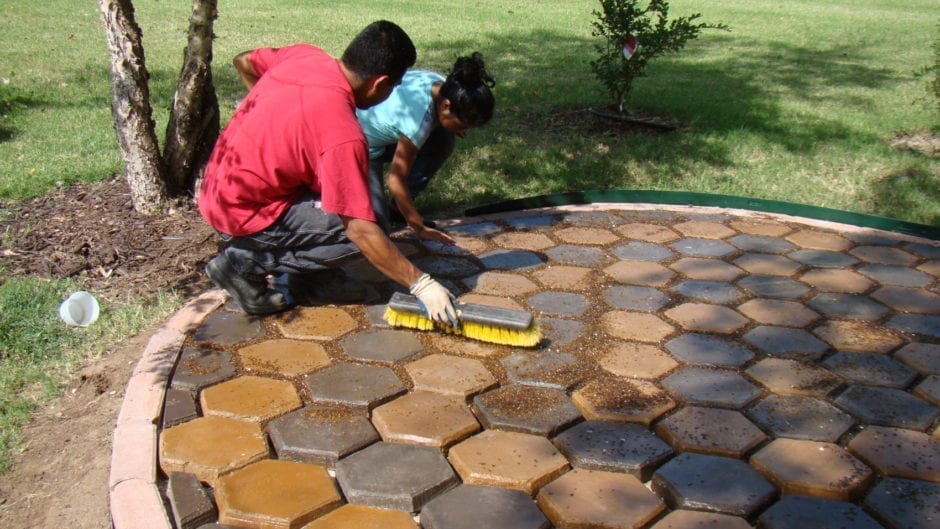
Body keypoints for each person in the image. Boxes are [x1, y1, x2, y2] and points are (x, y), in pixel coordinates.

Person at [197, 20, 458, 327]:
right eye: (394, 87)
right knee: (366, 227)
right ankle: (243, 264)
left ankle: (311, 282)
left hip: (217, 186)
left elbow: (244, 60)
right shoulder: (342, 135)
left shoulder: (303, 56)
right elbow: (359, 231)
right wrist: (421, 284)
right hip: (243, 212)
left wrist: (274, 112)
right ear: (380, 83)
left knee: (347, 203)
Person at [357, 52, 495, 243]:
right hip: (362, 146)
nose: (464, 132)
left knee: (443, 138)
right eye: (462, 125)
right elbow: (395, 179)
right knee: (377, 229)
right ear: (446, 106)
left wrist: (453, 126)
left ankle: (399, 207)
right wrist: (418, 226)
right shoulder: (417, 122)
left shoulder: (441, 84)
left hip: (384, 126)